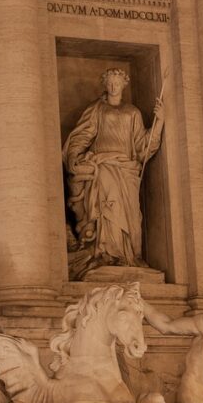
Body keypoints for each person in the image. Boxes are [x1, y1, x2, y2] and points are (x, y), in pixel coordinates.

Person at [63, 68, 163, 278]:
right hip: (104, 165)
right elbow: (82, 136)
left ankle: (129, 255)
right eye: (109, 83)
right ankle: (107, 253)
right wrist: (74, 155)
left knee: (132, 215)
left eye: (117, 83)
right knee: (110, 206)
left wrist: (159, 122)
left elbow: (142, 146)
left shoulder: (132, 112)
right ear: (105, 85)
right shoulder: (97, 109)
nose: (113, 87)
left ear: (123, 85)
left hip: (127, 169)